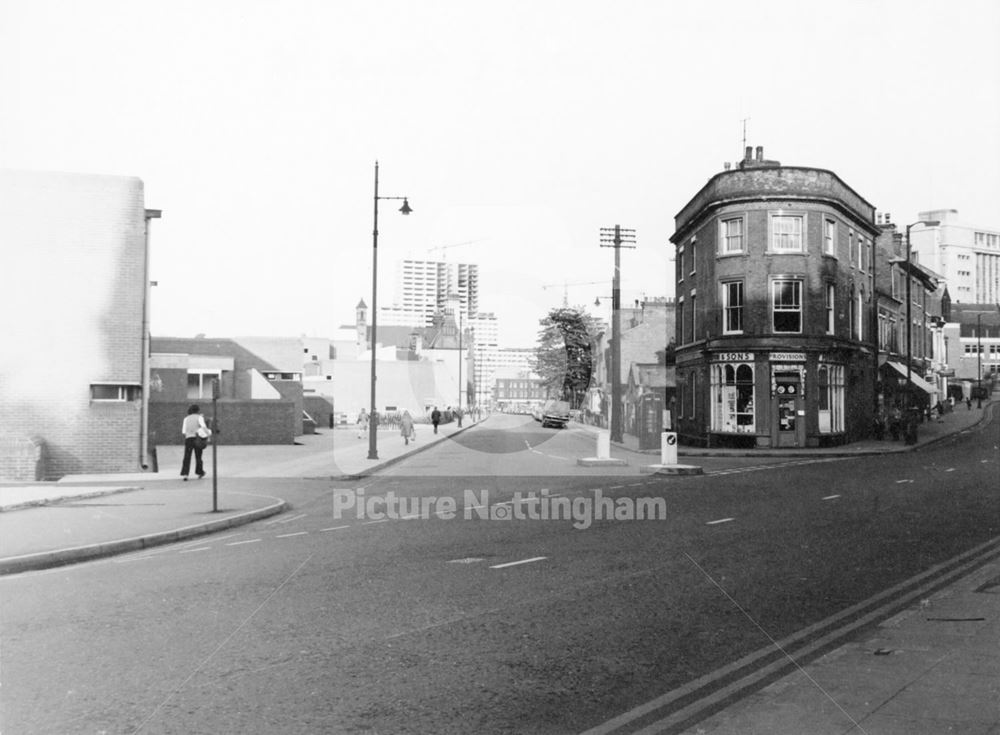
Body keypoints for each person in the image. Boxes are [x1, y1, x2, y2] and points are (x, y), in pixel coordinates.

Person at [180, 404, 209, 480]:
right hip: (197, 439)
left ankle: (185, 474)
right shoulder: (199, 417)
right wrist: (208, 434)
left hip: (188, 439)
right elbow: (203, 427)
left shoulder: (186, 419)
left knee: (187, 456)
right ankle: (199, 472)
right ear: (198, 410)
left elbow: (183, 431)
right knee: (198, 456)